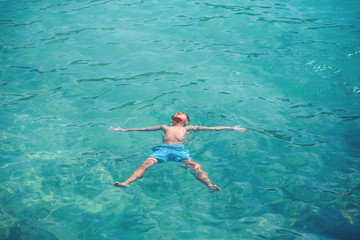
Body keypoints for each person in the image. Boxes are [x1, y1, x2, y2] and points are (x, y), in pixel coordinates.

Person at [108, 112, 247, 191]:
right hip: (162, 150)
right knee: (144, 164)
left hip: (180, 151)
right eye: (177, 113)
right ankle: (127, 182)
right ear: (172, 120)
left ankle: (210, 185)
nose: (179, 113)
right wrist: (124, 130)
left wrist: (231, 127)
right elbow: (145, 128)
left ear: (186, 121)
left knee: (196, 167)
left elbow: (211, 128)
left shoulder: (188, 128)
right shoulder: (164, 127)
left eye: (183, 114)